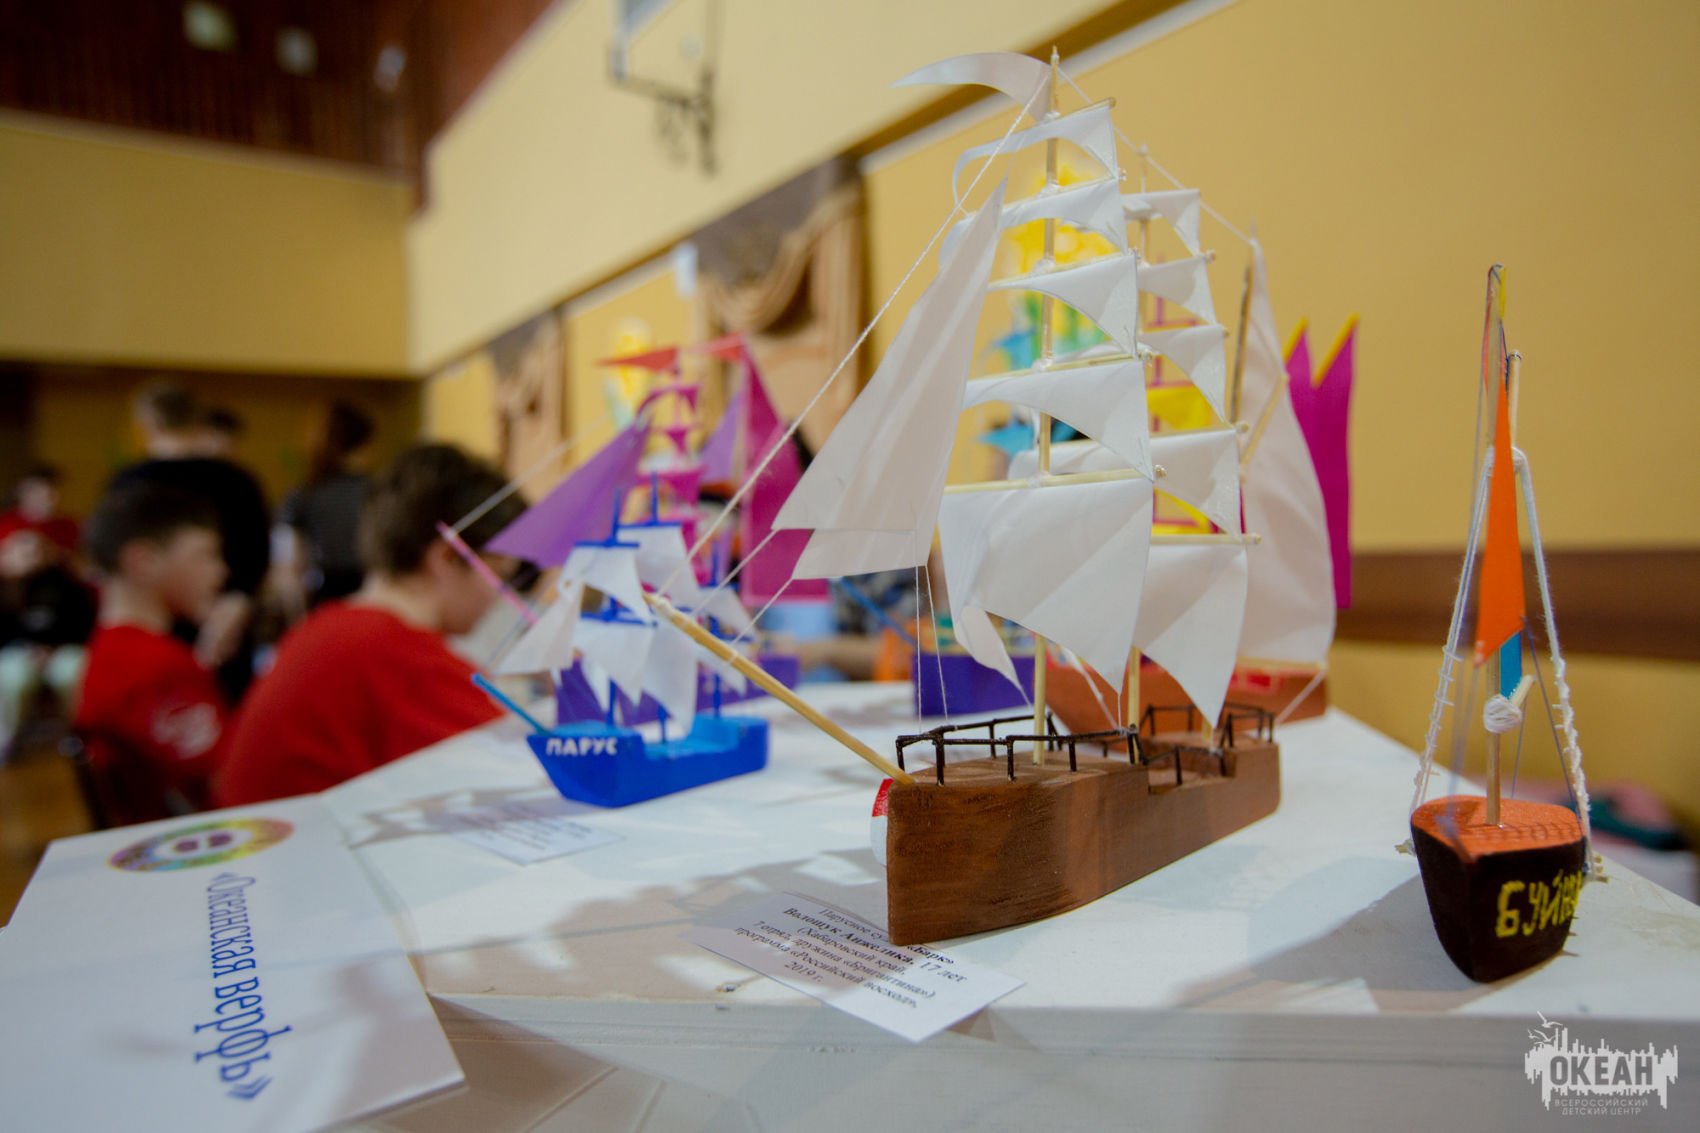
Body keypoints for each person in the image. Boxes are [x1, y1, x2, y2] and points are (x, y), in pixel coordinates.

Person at [215, 444, 528, 804]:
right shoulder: (402, 656)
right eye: (500, 575)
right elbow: (519, 773)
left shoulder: (331, 624)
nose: (500, 596)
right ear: (446, 558)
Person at [75, 480, 229, 822]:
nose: (220, 571)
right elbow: (223, 786)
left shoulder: (110, 652)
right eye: (205, 555)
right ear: (143, 562)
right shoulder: (158, 666)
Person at [109, 382, 270, 702]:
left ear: (146, 424)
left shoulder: (128, 484)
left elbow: (116, 564)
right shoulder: (238, 481)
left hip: (158, 622)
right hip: (223, 619)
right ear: (198, 421)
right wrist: (237, 602)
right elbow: (257, 551)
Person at [0, 466, 95, 756]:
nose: (29, 557)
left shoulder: (63, 580)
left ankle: (79, 736)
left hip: (61, 648)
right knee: (12, 674)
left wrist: (53, 648)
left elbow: (80, 619)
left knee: (74, 668)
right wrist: (26, 648)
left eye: (36, 550)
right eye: (20, 550)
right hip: (18, 650)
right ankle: (7, 740)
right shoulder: (4, 587)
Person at [275, 400, 376, 613]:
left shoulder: (304, 493)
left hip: (321, 594)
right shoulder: (376, 491)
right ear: (360, 446)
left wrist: (298, 617)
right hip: (366, 590)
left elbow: (289, 567)